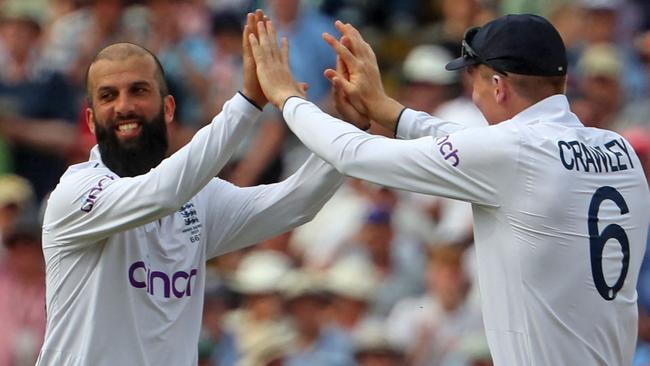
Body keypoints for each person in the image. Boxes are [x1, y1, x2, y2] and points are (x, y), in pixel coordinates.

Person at [248, 14, 650, 365]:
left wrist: (287, 97)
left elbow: (353, 154)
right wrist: (388, 110)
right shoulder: (619, 150)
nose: (472, 96)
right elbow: (481, 147)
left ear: (498, 85)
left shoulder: (513, 155)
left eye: (472, 81)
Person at [36, 10, 344, 366]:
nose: (124, 106)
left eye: (138, 90)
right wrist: (247, 103)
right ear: (90, 119)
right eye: (108, 96)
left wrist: (348, 127)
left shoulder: (197, 198)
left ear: (168, 108)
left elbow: (297, 204)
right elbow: (162, 194)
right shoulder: (75, 193)